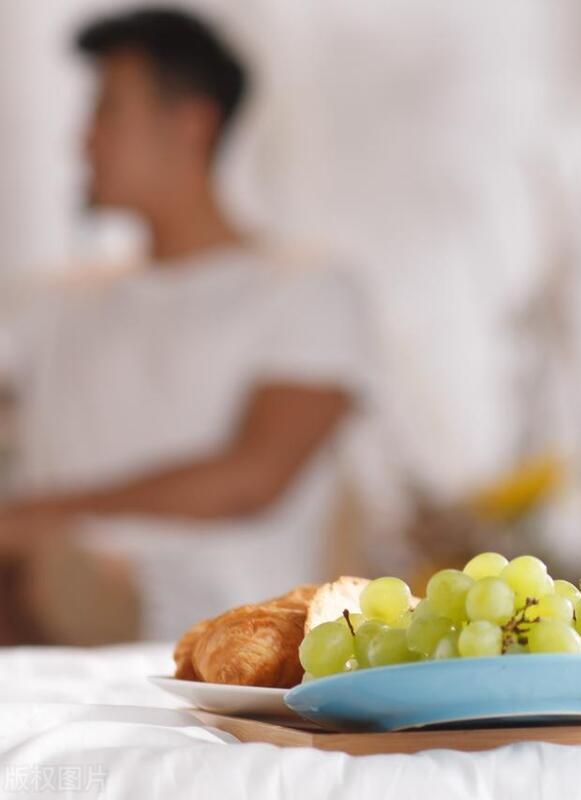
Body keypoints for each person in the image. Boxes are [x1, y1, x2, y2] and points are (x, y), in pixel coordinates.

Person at [0, 8, 372, 643]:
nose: (82, 139)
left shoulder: (304, 289)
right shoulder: (48, 302)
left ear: (191, 123)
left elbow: (253, 477)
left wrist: (33, 520)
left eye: (106, 110)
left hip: (206, 621)